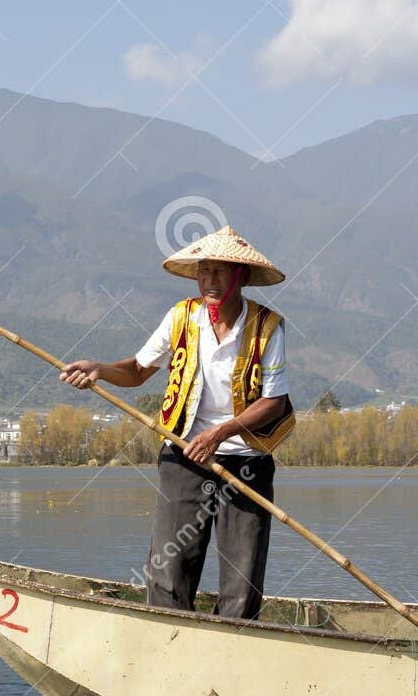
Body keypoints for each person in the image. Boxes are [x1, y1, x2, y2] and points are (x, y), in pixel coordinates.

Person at [60, 225, 293, 619]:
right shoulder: (181, 318)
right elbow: (136, 370)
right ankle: (169, 639)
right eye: (203, 271)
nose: (210, 281)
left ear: (241, 276)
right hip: (183, 454)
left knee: (244, 575)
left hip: (245, 459)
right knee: (170, 568)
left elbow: (274, 401)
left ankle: (233, 645)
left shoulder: (268, 327)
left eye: (219, 271)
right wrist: (99, 369)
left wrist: (221, 433)